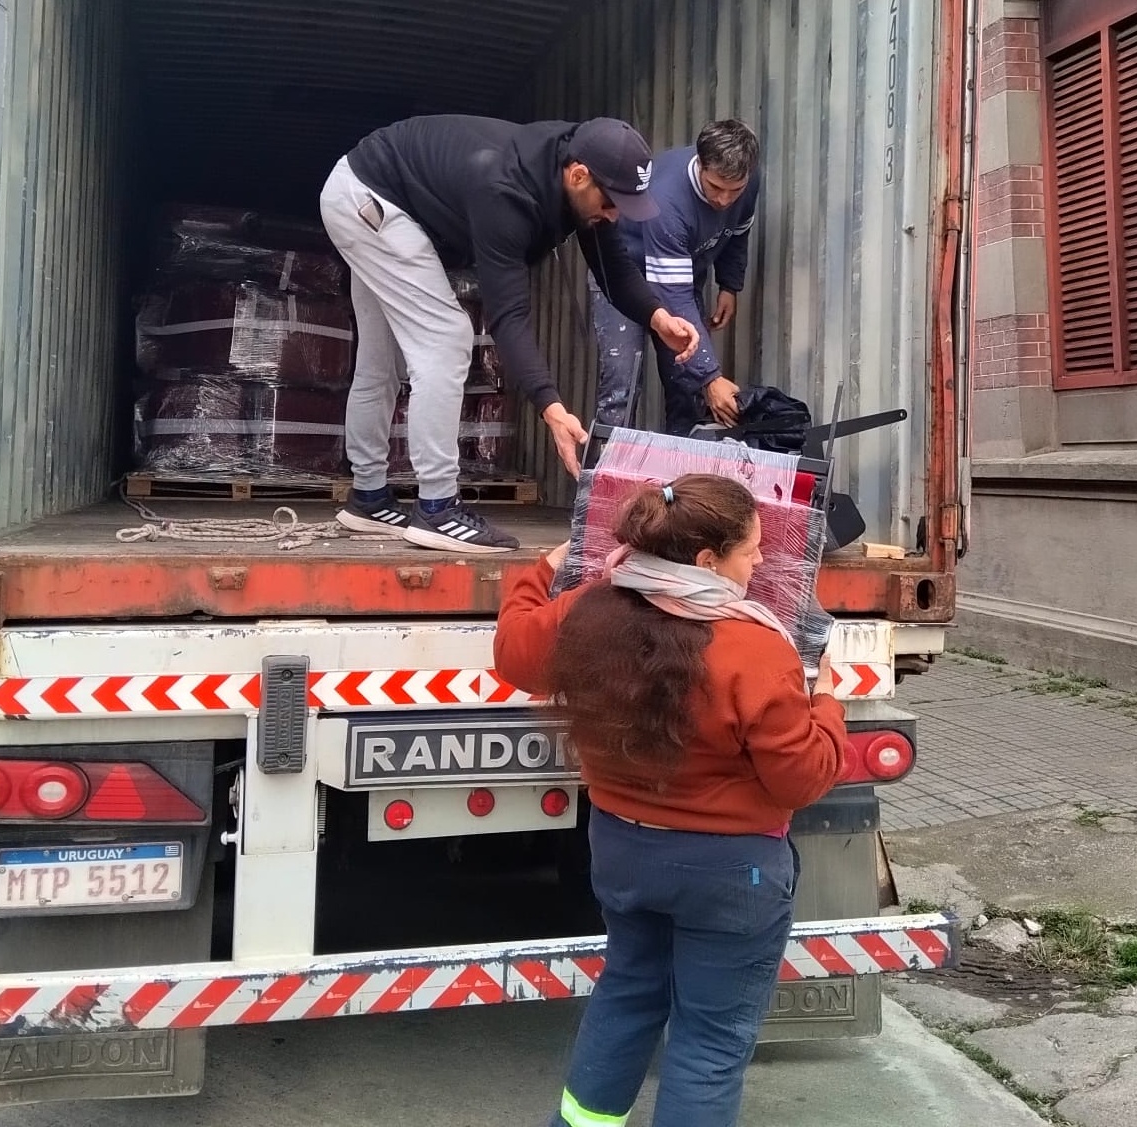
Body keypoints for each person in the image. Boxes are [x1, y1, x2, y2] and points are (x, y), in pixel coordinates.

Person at [493, 474, 845, 1127]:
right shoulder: (753, 646)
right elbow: (800, 779)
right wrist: (828, 704)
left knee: (627, 993)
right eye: (751, 551)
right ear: (708, 561)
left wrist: (540, 569)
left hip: (624, 851)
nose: (762, 561)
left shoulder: (591, 607)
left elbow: (514, 652)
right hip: (731, 873)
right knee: (708, 1041)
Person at [319, 116, 702, 554]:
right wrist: (552, 408)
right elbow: (509, 315)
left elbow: (612, 264)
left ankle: (368, 498)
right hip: (369, 200)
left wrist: (657, 317)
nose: (614, 216)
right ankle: (438, 508)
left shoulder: (580, 162)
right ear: (578, 176)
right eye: (612, 203)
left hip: (367, 190)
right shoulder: (506, 193)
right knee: (445, 339)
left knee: (380, 358)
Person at [591, 119, 762, 436]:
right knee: (622, 384)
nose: (724, 200)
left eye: (733, 191)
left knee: (686, 387)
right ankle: (602, 480)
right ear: (700, 165)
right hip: (624, 277)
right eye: (715, 188)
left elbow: (738, 231)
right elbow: (674, 297)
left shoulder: (748, 181)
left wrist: (729, 285)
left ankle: (683, 484)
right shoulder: (666, 200)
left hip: (681, 273)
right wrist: (710, 376)